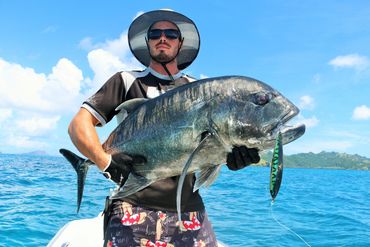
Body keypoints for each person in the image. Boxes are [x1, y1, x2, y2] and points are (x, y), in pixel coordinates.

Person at [67, 9, 260, 247]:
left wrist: (230, 157)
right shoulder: (126, 81)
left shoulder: (198, 90)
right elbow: (79, 124)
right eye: (155, 33)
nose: (163, 38)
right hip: (131, 205)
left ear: (180, 43)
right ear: (147, 42)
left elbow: (209, 147)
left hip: (188, 211)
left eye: (170, 33)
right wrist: (105, 162)